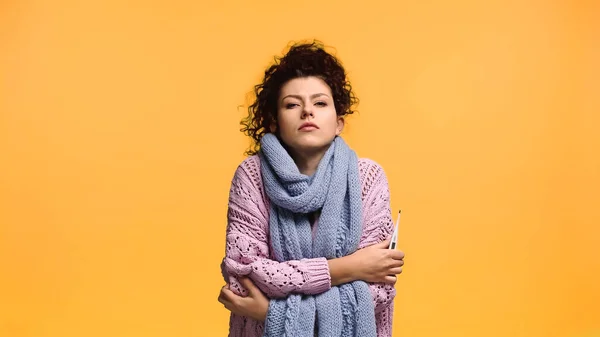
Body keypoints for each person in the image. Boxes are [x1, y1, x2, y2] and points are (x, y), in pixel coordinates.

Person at [218, 40, 405, 337]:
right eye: (292, 104)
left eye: (320, 103)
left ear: (339, 122)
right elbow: (244, 277)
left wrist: (270, 313)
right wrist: (347, 269)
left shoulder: (367, 177)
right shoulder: (252, 176)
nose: (307, 111)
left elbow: (379, 290)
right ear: (275, 121)